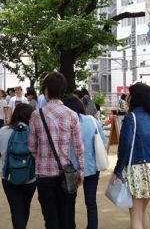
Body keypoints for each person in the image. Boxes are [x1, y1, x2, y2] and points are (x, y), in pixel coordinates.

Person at [28, 72, 84, 229]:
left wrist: (42, 157)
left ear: (46, 90)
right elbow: (79, 148)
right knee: (65, 215)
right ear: (63, 90)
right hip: (65, 174)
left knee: (50, 219)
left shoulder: (36, 115)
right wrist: (80, 171)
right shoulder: (72, 115)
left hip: (44, 175)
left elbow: (32, 147)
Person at [110, 83, 150, 229]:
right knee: (142, 212)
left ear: (135, 97)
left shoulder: (131, 118)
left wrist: (117, 170)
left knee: (135, 215)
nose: (128, 97)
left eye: (130, 94)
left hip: (137, 169)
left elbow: (125, 146)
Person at [63, 97, 107, 229]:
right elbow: (103, 142)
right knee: (91, 202)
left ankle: (71, 225)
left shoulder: (64, 122)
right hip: (91, 166)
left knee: (70, 201)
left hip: (70, 168)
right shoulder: (92, 120)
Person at [0, 103, 36, 229]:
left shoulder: (3, 130)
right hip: (30, 177)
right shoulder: (34, 132)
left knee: (16, 208)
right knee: (25, 205)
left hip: (8, 176)